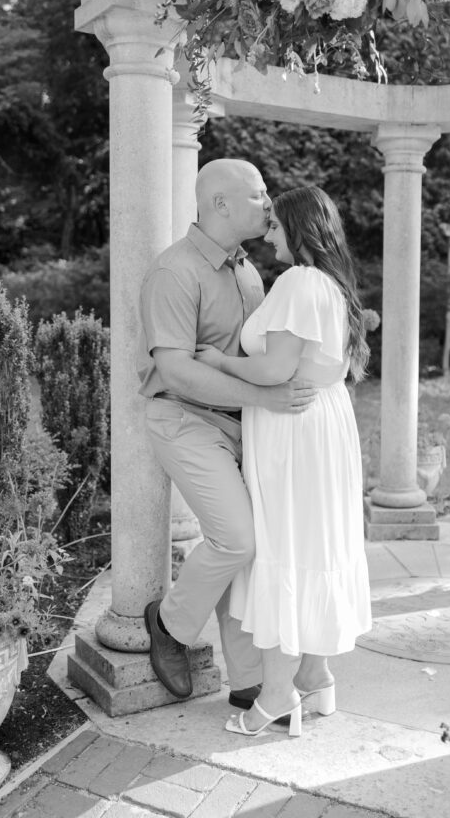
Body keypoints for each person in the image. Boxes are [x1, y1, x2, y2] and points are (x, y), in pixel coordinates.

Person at [137, 159, 317, 711]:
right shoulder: (174, 272)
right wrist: (266, 399)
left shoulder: (248, 271)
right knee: (237, 539)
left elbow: (257, 357)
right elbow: (176, 371)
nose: (269, 204)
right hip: (184, 418)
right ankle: (169, 624)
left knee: (255, 550)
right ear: (220, 203)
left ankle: (246, 680)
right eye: (259, 194)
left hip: (243, 423)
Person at [196, 186, 373, 737]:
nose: (267, 236)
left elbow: (275, 370)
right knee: (313, 543)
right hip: (324, 424)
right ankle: (316, 677)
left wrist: (219, 361)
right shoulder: (334, 285)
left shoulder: (299, 281)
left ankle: (275, 696)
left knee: (286, 547)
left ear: (298, 228)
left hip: (296, 430)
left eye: (275, 226)